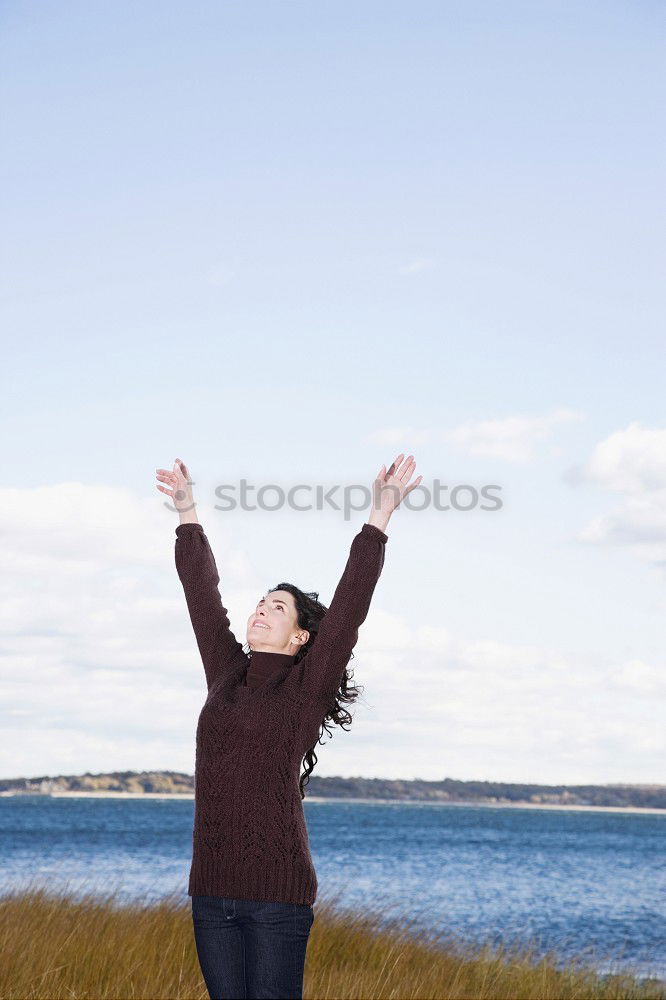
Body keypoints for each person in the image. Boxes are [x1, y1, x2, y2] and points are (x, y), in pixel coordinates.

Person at [155, 454, 421, 999]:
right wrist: (187, 513)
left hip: (278, 899)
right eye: (259, 603)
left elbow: (348, 608)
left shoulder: (304, 691)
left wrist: (379, 517)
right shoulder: (225, 675)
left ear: (300, 637)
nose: (260, 610)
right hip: (210, 894)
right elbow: (201, 598)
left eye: (276, 607)